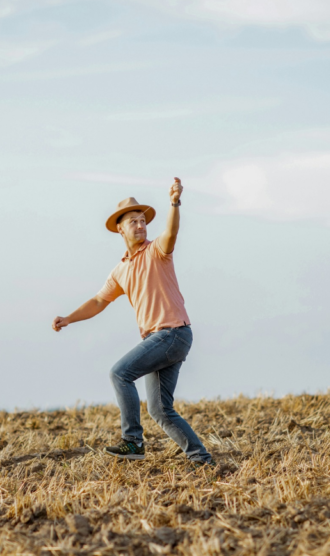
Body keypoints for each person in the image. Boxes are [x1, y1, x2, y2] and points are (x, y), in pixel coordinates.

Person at [52, 178, 215, 467]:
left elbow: (171, 233)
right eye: (134, 222)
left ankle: (133, 441)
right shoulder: (120, 270)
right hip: (159, 339)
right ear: (120, 228)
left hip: (172, 334)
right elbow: (99, 301)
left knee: (120, 373)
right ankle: (202, 460)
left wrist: (175, 203)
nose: (141, 226)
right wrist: (68, 319)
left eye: (143, 221)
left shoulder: (157, 252)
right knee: (161, 411)